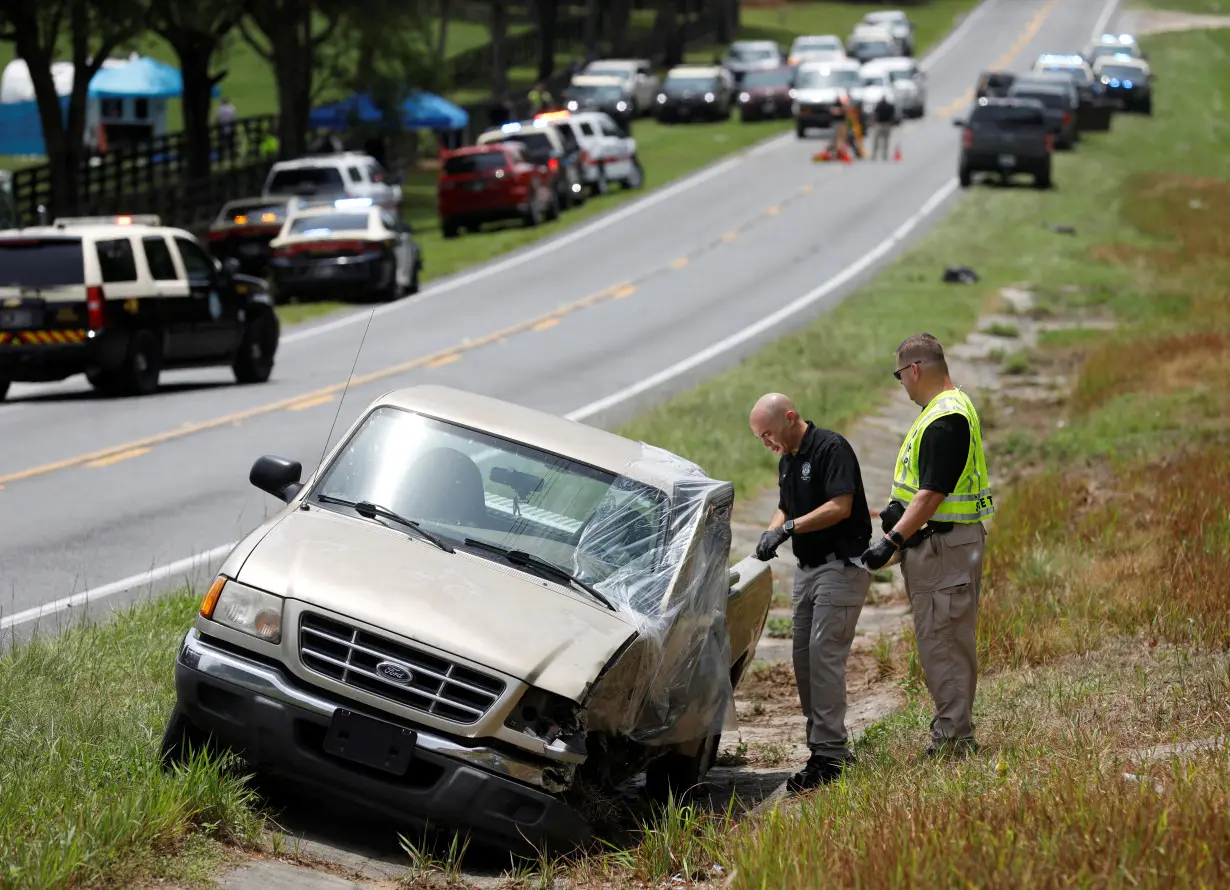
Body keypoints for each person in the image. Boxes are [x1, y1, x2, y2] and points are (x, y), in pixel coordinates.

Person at [859, 333, 995, 760]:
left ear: (914, 369)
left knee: (944, 644)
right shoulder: (946, 409)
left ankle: (955, 741)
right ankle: (952, 731)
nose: (902, 384)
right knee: (942, 641)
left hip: (943, 549)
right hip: (943, 546)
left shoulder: (945, 417)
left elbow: (932, 493)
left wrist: (892, 540)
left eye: (900, 376)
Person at [749, 393, 873, 793]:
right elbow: (784, 506)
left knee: (823, 657)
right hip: (807, 570)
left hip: (840, 566)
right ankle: (821, 748)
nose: (767, 444)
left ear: (790, 417)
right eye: (760, 439)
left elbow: (840, 505)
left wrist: (789, 529)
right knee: (802, 659)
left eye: (768, 434)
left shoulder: (831, 448)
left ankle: (831, 756)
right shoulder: (788, 460)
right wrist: (773, 529)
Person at [871, 93, 896, 160]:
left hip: (880, 124)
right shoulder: (888, 106)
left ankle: (876, 154)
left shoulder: (879, 105)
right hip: (886, 124)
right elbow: (893, 116)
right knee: (885, 141)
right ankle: (883, 155)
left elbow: (874, 114)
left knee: (878, 140)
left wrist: (873, 122)